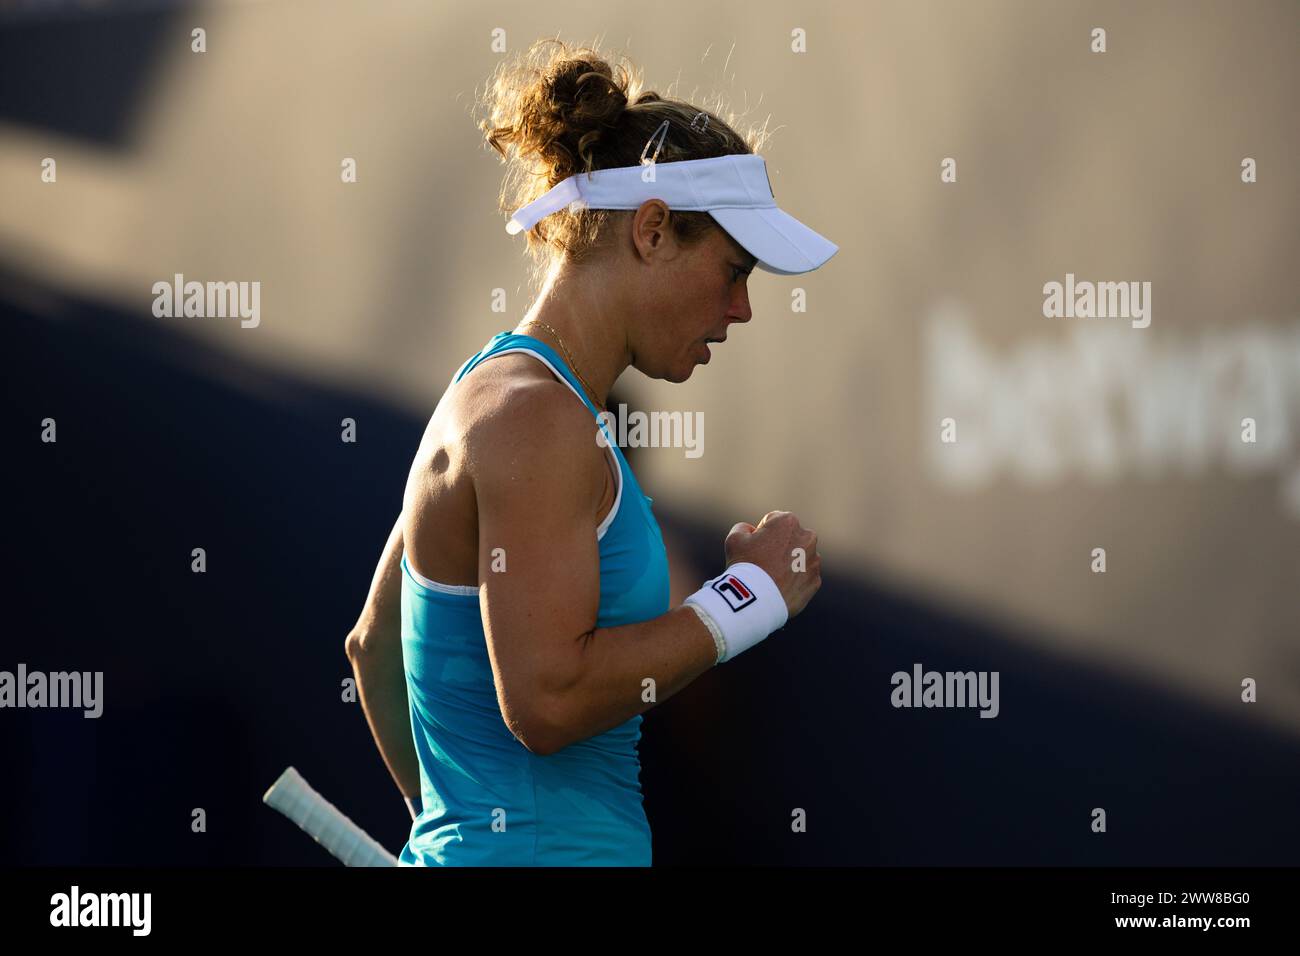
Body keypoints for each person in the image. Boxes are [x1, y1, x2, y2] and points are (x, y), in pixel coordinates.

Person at [345, 38, 834, 866]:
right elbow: (547, 700)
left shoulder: (492, 398)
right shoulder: (538, 420)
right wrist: (751, 597)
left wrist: (457, 833)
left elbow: (372, 647)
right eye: (732, 270)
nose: (742, 308)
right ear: (651, 231)